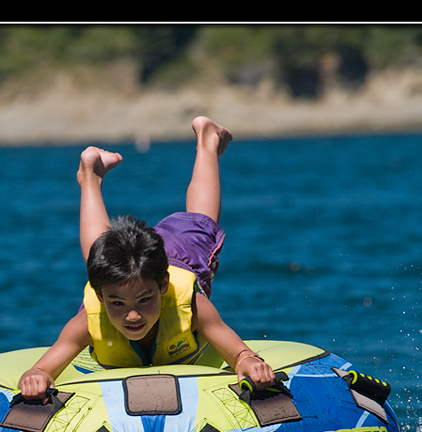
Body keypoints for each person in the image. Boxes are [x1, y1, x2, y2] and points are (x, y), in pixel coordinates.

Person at [18, 116, 275, 401]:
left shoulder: (188, 303)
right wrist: (36, 375)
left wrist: (248, 361)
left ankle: (208, 140)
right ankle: (89, 176)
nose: (132, 315)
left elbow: (239, 353)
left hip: (181, 255)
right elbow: (42, 368)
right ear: (101, 298)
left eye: (144, 300)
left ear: (163, 286)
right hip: (134, 268)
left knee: (201, 220)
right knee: (100, 255)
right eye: (117, 303)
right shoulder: (89, 319)